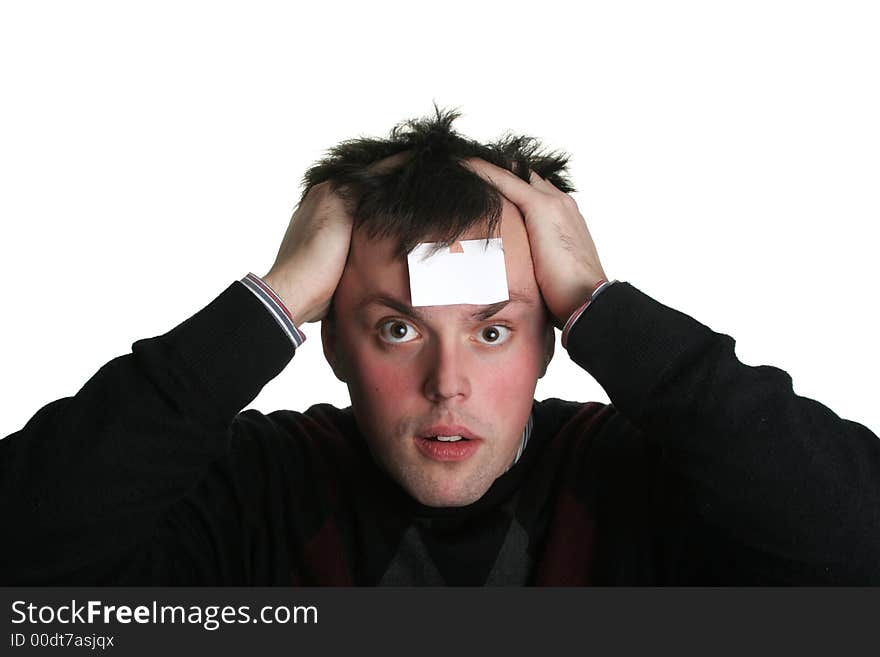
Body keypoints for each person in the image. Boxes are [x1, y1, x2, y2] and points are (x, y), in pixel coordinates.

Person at [1, 107, 878, 585]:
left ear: (551, 343)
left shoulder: (647, 482)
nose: (446, 383)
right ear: (330, 341)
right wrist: (266, 302)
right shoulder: (254, 490)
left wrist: (607, 307)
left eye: (493, 330)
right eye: (397, 328)